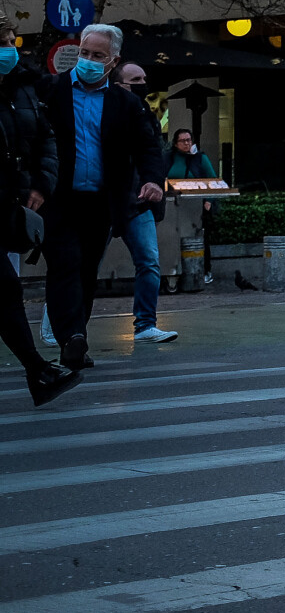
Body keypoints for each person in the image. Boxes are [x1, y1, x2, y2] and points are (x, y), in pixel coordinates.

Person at [39, 24, 166, 372]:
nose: (89, 60)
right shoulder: (51, 90)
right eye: (85, 53)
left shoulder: (125, 103)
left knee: (85, 271)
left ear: (113, 61)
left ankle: (76, 337)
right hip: (59, 199)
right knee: (64, 264)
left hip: (100, 203)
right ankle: (72, 337)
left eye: (98, 56)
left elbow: (147, 147)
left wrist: (153, 181)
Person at [0, 33, 77, 406]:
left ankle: (39, 372)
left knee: (5, 288)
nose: (8, 49)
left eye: (9, 41)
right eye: (1, 42)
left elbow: (44, 138)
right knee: (4, 287)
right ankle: (38, 370)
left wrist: (40, 184)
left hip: (6, 203)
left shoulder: (22, 87)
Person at [110, 63, 175, 344]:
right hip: (110, 200)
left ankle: (146, 324)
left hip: (138, 201)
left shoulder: (146, 116)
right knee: (82, 266)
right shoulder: (108, 113)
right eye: (136, 79)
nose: (143, 83)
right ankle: (64, 320)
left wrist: (153, 184)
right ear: (119, 84)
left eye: (144, 78)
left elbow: (153, 156)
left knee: (149, 262)